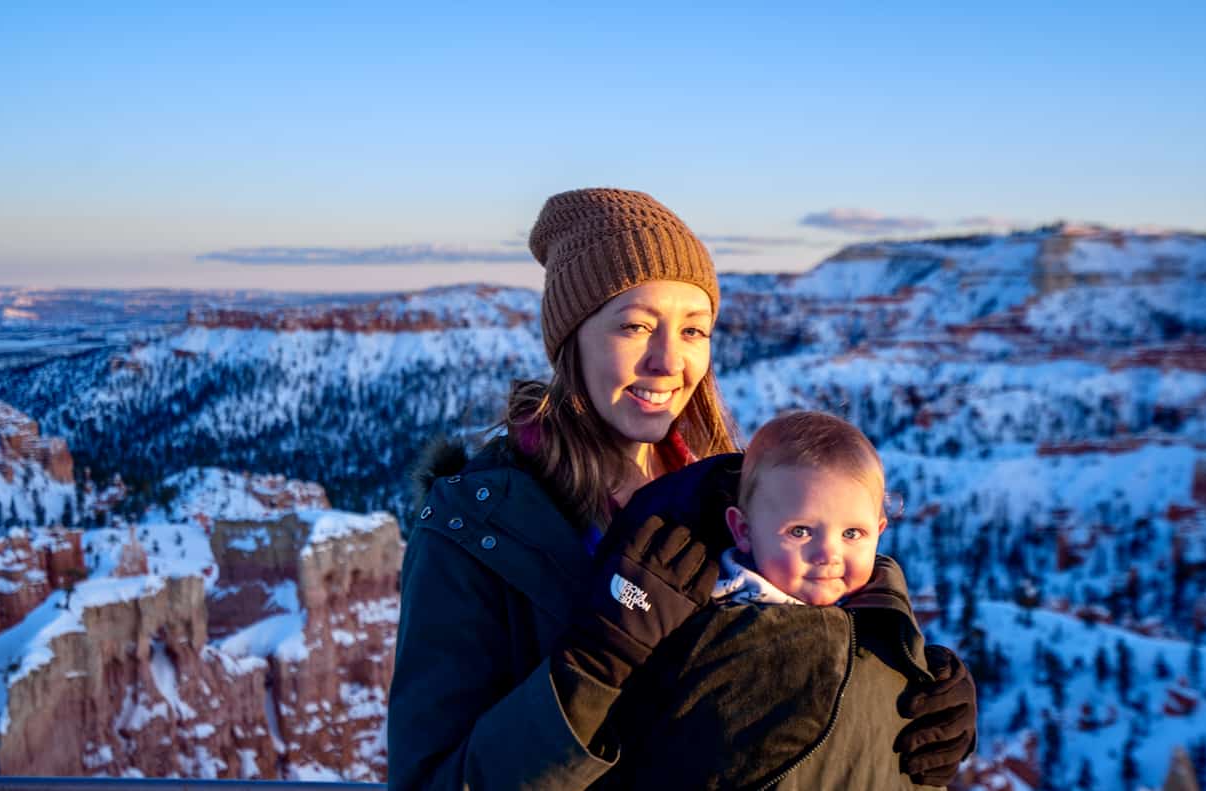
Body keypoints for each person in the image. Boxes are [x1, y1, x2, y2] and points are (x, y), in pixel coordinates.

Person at [387, 188, 976, 789]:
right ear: (572, 339)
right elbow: (433, 780)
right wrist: (594, 666)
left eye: (694, 331)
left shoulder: (727, 495)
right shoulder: (476, 533)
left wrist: (900, 675)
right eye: (637, 325)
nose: (669, 361)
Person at [595, 410, 950, 789]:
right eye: (800, 531)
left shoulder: (883, 619)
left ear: (879, 531)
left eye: (852, 533)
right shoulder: (707, 621)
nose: (828, 554)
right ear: (743, 530)